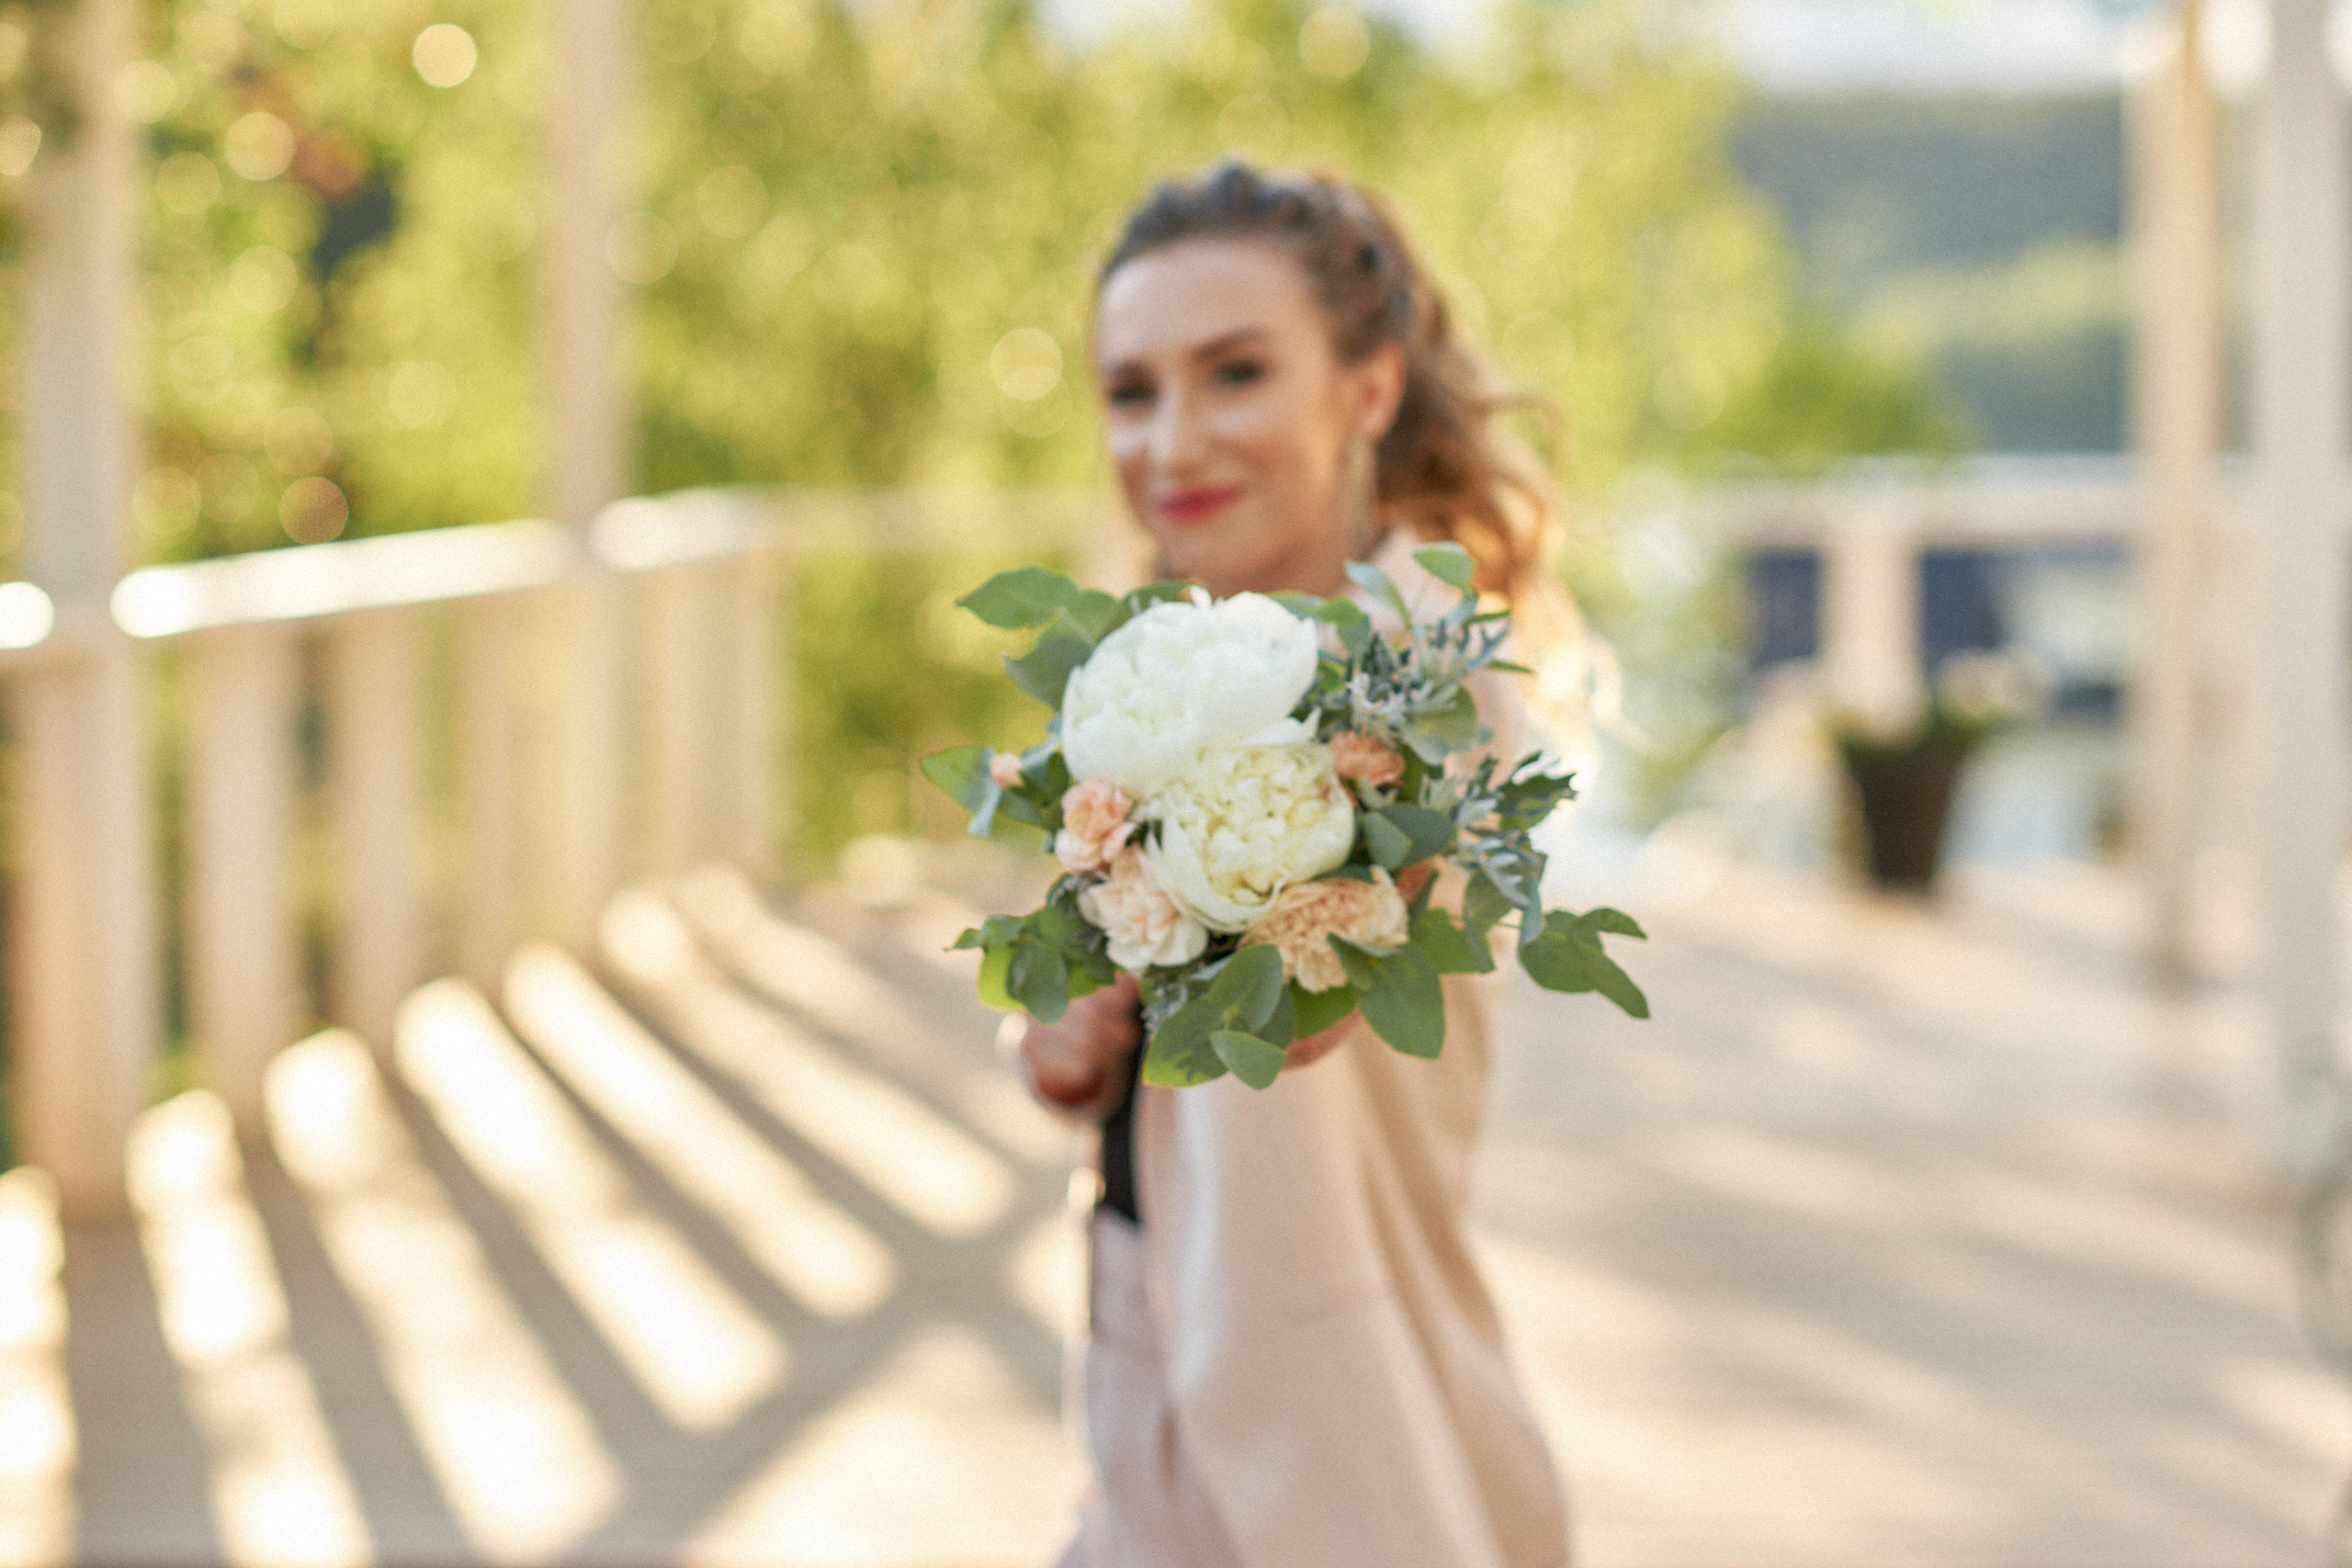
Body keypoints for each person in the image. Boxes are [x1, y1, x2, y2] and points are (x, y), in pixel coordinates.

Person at [1017, 163, 1582, 1568]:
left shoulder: (1426, 684)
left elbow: (1307, 1011)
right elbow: (1106, 1039)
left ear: (1369, 389)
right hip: (1149, 1366)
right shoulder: (1162, 671)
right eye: (1132, 391)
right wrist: (1064, 1032)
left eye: (1237, 374)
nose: (1173, 440)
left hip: (1323, 1421)